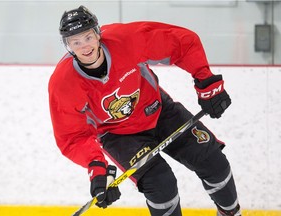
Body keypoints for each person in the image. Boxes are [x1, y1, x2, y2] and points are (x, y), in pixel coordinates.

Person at [48, 5, 241, 216]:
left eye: (87, 37)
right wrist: (96, 166)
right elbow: (72, 137)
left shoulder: (126, 40)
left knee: (213, 163)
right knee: (161, 185)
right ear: (67, 46)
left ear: (98, 33)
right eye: (75, 42)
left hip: (159, 110)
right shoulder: (63, 83)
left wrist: (206, 81)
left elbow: (182, 43)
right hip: (119, 136)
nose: (84, 46)